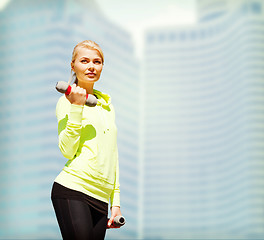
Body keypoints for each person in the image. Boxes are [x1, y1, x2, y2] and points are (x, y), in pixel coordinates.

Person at [51, 40, 122, 240]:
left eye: (97, 62)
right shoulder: (66, 101)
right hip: (74, 188)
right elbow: (67, 150)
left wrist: (115, 203)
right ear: (73, 65)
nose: (91, 66)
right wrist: (77, 106)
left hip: (101, 198)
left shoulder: (106, 105)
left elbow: (112, 155)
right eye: (84, 61)